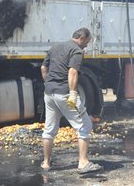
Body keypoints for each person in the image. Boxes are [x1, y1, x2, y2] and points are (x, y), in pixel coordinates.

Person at [40, 27, 102, 174]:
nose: (87, 45)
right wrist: (73, 93)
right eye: (87, 41)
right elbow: (72, 72)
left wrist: (49, 83)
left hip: (49, 94)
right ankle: (83, 163)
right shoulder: (76, 51)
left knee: (49, 130)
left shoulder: (55, 47)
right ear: (81, 38)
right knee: (85, 126)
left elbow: (43, 68)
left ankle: (46, 163)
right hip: (64, 94)